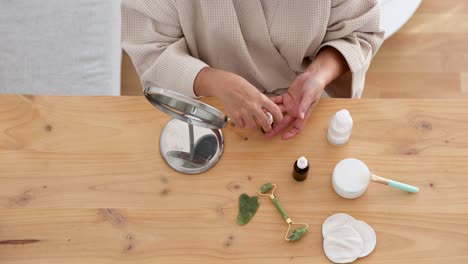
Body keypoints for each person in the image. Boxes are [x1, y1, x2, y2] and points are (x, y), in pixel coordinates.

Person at [122, 0, 384, 140]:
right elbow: (152, 51)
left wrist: (318, 74)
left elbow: (360, 30)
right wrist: (217, 84)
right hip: (209, 110)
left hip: (308, 111)